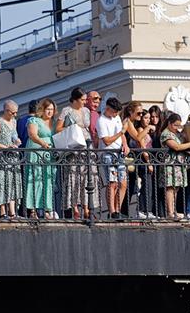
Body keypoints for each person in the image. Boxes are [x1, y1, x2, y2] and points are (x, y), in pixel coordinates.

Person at [56, 87, 94, 219]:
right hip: (74, 146)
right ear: (76, 99)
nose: (84, 102)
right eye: (82, 100)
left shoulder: (86, 111)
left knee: (87, 177)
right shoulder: (66, 111)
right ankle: (74, 207)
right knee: (74, 177)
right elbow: (58, 128)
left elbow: (89, 127)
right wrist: (72, 127)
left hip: (86, 146)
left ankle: (87, 207)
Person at [159, 112, 190, 219]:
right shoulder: (166, 134)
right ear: (169, 123)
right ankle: (170, 213)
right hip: (170, 165)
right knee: (170, 188)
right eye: (175, 125)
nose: (177, 128)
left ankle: (174, 211)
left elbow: (183, 145)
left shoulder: (175, 134)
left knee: (176, 188)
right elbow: (176, 147)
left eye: (179, 125)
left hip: (178, 165)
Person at [0, 99, 22, 219]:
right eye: (13, 113)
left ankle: (12, 212)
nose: (15, 115)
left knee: (12, 182)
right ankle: (2, 212)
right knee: (1, 182)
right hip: (1, 157)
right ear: (6, 111)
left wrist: (16, 142)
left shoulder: (14, 122)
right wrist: (6, 147)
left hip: (12, 156)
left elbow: (14, 136)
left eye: (16, 112)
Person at [25, 98, 57, 219]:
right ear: (42, 110)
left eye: (52, 110)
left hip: (49, 154)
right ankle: (32, 209)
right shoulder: (34, 120)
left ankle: (47, 209)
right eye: (48, 109)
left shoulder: (53, 123)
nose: (50, 112)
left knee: (48, 180)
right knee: (34, 179)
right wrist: (43, 143)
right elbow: (32, 135)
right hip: (37, 151)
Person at [98, 97, 127, 219]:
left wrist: (124, 143)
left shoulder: (116, 118)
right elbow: (107, 141)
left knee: (123, 183)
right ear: (108, 109)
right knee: (112, 183)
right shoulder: (101, 121)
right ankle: (112, 211)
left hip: (119, 152)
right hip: (108, 153)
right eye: (114, 112)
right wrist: (120, 133)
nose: (116, 115)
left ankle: (118, 209)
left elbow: (122, 133)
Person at [136, 109, 157, 218]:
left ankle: (148, 209)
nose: (148, 120)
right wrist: (148, 162)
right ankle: (142, 209)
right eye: (145, 118)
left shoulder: (146, 130)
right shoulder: (140, 129)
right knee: (146, 185)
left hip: (149, 159)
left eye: (149, 118)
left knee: (149, 185)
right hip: (144, 160)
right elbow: (142, 145)